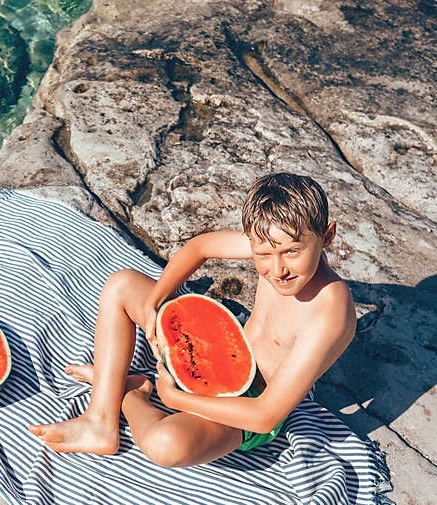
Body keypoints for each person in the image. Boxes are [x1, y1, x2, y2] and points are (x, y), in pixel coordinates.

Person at [27, 172, 357, 467]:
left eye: (293, 253)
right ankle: (100, 422)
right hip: (219, 353)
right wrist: (157, 301)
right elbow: (200, 247)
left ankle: (133, 392)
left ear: (326, 236)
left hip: (249, 406)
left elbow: (265, 416)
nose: (278, 269)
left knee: (164, 445)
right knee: (122, 285)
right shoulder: (274, 239)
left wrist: (176, 399)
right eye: (263, 255)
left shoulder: (332, 311)